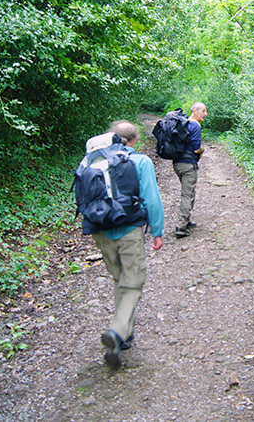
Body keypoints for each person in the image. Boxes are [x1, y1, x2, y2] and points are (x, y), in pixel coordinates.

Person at [91, 120, 164, 369]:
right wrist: (157, 231)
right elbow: (151, 199)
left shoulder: (95, 160)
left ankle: (126, 334)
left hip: (100, 230)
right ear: (134, 140)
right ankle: (117, 331)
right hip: (129, 229)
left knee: (120, 278)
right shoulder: (140, 161)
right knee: (133, 283)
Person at [172, 102, 207, 238]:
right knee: (187, 194)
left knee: (188, 192)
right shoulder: (195, 125)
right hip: (188, 165)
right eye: (203, 111)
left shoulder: (184, 124)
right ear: (195, 111)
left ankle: (186, 220)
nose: (205, 114)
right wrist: (203, 149)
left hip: (177, 164)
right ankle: (181, 226)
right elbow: (196, 148)